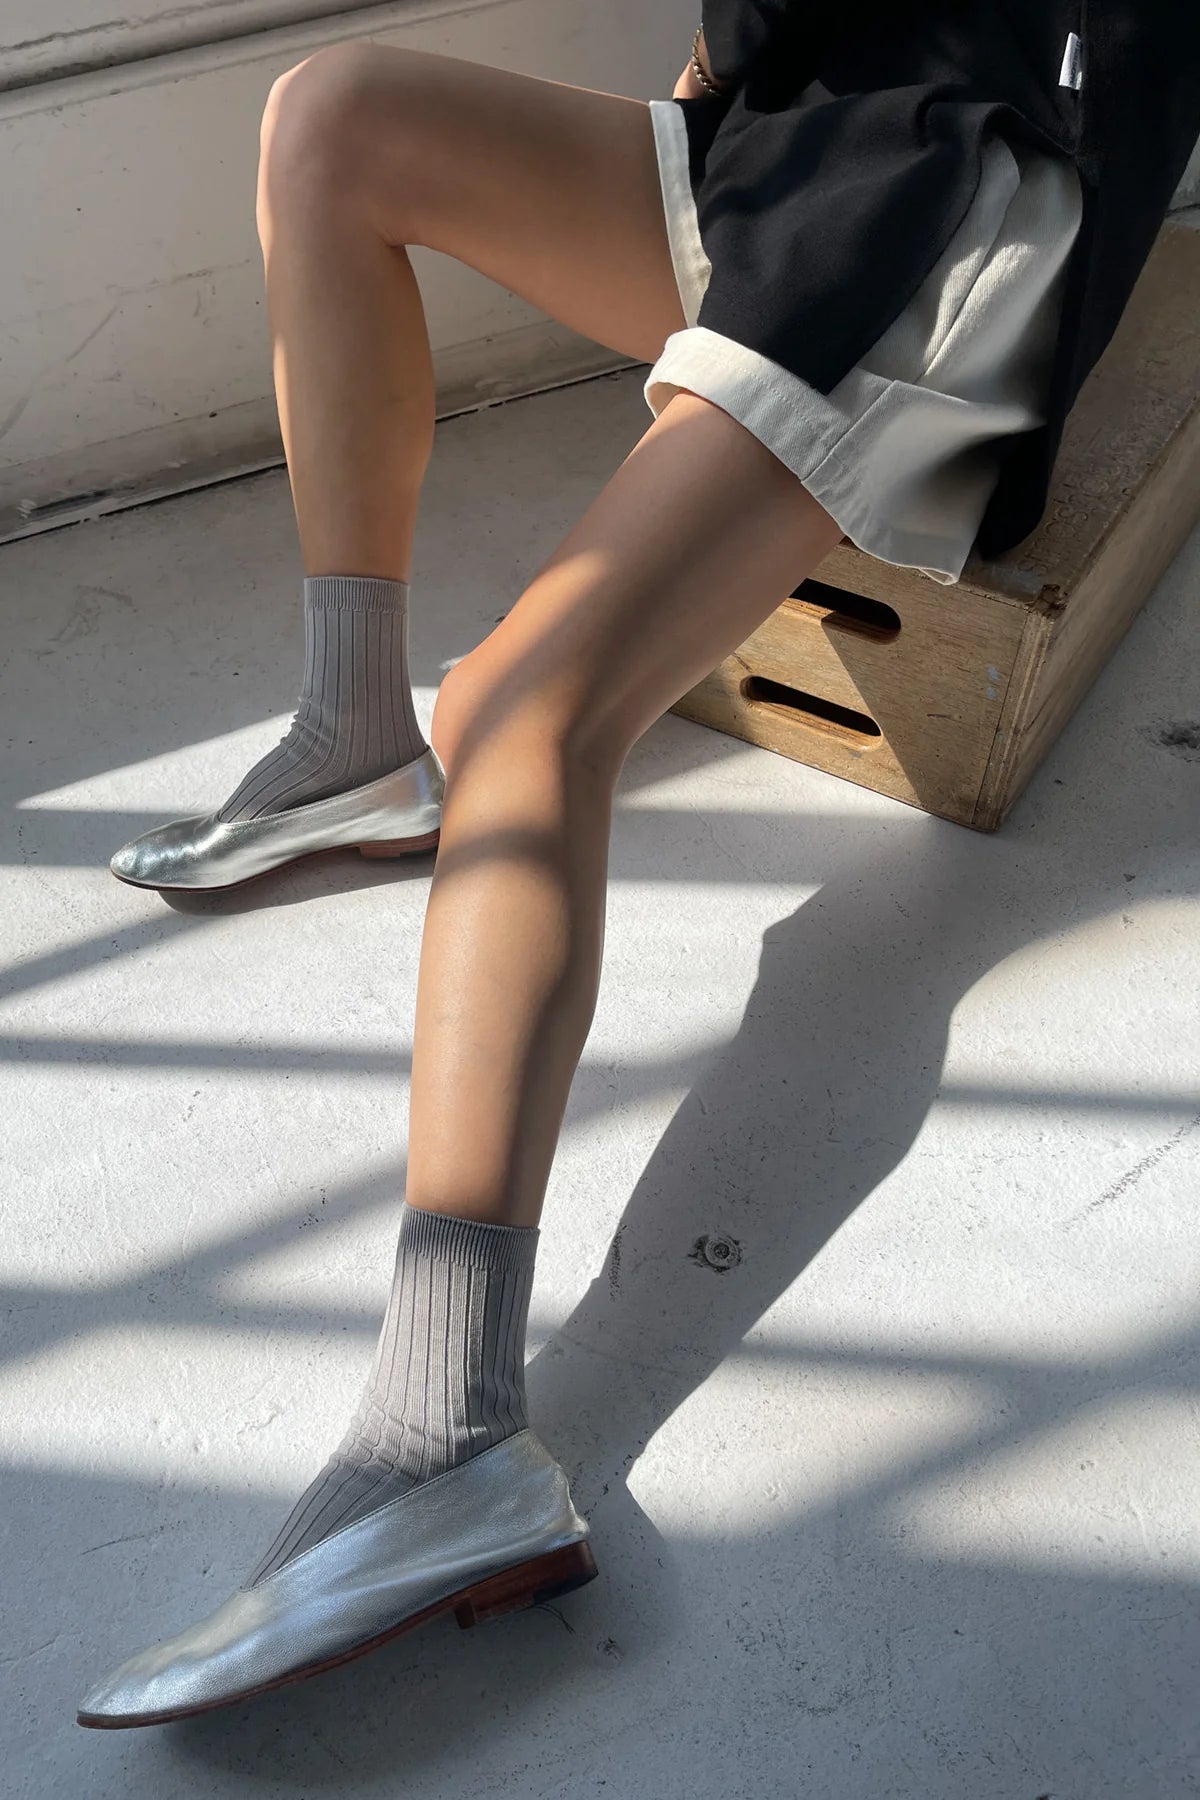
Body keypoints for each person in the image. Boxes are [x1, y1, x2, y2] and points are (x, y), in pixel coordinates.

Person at [79, 3, 1200, 1728]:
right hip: (799, 143)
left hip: (952, 213)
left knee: (528, 709)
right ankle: (351, 732)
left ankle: (447, 1433)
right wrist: (708, 115)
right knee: (337, 115)